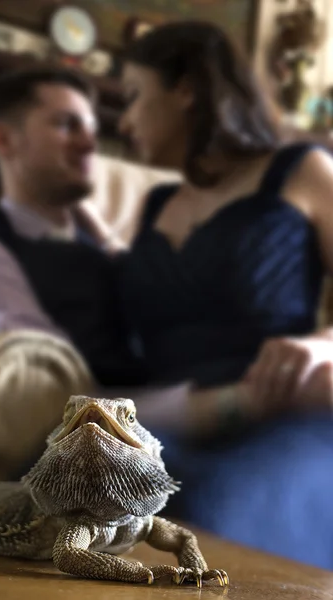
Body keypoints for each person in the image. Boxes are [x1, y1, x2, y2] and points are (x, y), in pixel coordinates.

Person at [109, 21, 333, 568]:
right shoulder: (157, 204)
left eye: (135, 96)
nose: (124, 120)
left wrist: (324, 346)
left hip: (283, 411)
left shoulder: (301, 171)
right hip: (178, 415)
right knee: (52, 480)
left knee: (203, 512)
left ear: (185, 90)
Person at [0, 67, 145, 388]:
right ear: (4, 140)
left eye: (92, 128)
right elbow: (50, 398)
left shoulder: (91, 241)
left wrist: (97, 228)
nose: (90, 144)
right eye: (67, 125)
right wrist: (214, 407)